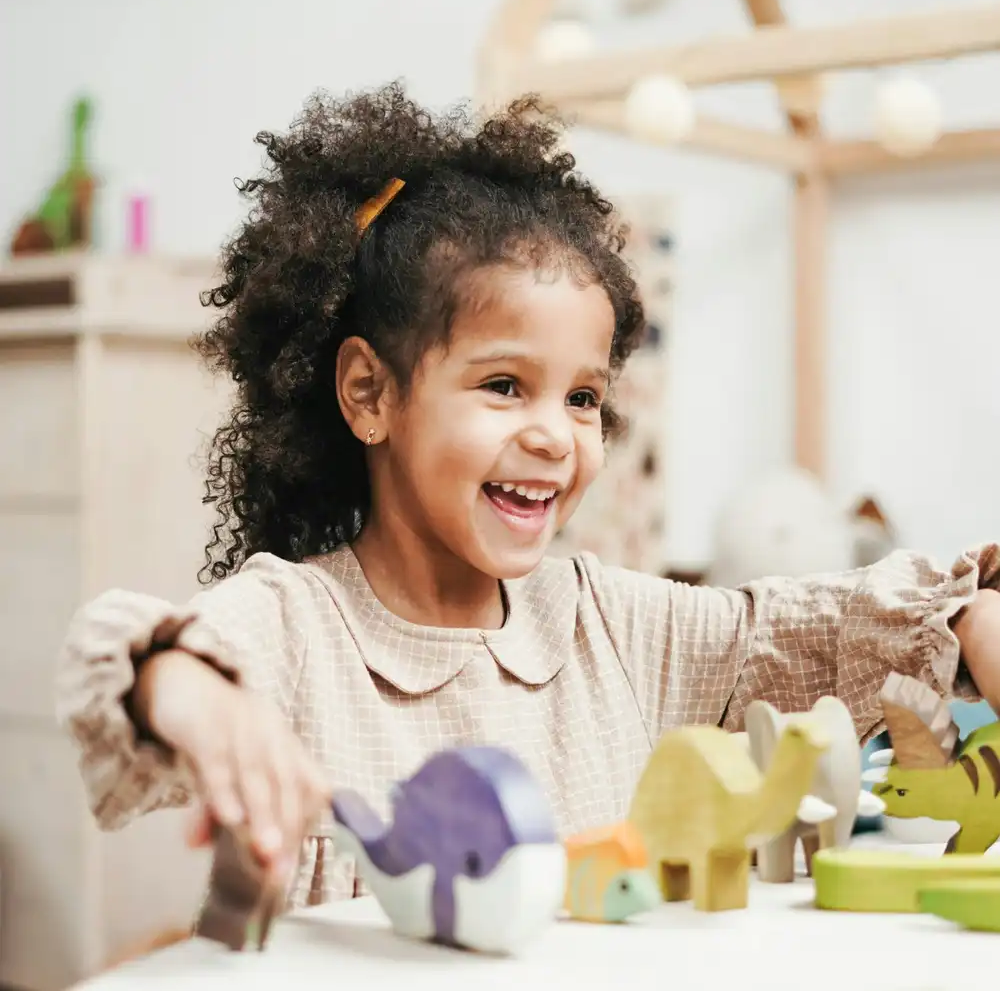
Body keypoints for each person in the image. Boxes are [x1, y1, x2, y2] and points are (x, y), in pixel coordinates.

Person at [55, 82, 1000, 911]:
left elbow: (812, 627)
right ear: (370, 394)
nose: (556, 433)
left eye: (583, 397)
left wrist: (967, 618)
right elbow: (115, 657)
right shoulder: (295, 627)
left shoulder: (612, 627)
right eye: (505, 385)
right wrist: (190, 693)